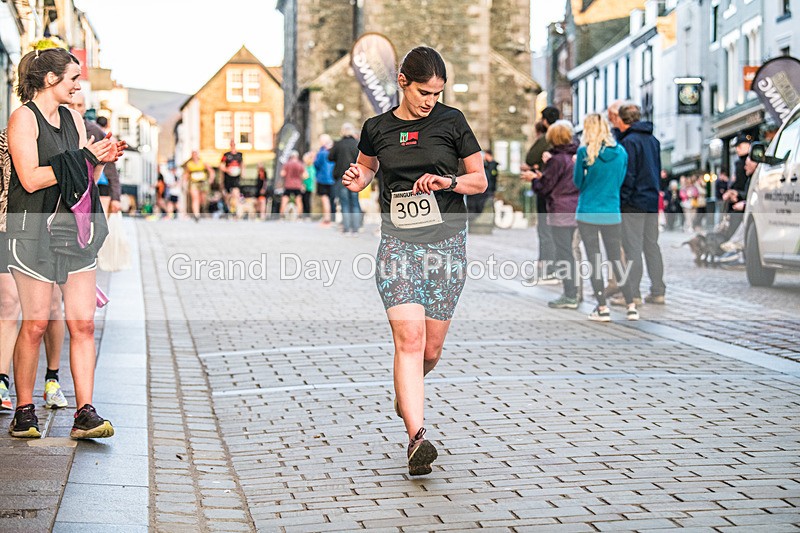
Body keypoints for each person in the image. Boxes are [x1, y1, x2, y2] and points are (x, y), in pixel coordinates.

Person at [341, 46, 486, 476]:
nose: (430, 101)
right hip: (398, 246)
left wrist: (450, 180)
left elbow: (479, 180)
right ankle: (416, 437)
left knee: (430, 348)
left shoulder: (452, 121)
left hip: (447, 245)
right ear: (402, 82)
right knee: (408, 340)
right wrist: (358, 178)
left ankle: (409, 391)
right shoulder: (377, 128)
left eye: (437, 94)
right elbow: (366, 170)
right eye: (424, 92)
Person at [6, 47, 123, 438]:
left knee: (84, 324)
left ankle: (84, 413)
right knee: (37, 323)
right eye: (73, 78)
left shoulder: (74, 119)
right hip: (32, 231)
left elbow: (82, 177)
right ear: (51, 79)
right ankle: (25, 411)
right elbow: (30, 179)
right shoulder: (23, 118)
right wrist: (84, 157)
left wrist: (101, 159)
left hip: (75, 232)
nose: (78, 85)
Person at [573, 114, 639, 321]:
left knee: (594, 260)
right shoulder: (621, 152)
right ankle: (631, 305)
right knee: (616, 259)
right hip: (612, 212)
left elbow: (578, 183)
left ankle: (602, 307)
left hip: (588, 212)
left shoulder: (584, 152)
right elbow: (620, 181)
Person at [612, 102, 666, 305]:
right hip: (651, 201)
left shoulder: (629, 143)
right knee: (652, 246)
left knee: (633, 247)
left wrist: (623, 200)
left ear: (622, 120)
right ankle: (658, 290)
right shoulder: (653, 141)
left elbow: (628, 175)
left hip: (633, 202)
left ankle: (633, 294)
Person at [527, 120, 580, 308]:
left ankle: (570, 294)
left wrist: (535, 179)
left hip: (560, 210)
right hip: (576, 207)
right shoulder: (576, 155)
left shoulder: (556, 160)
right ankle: (574, 291)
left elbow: (546, 186)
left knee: (564, 252)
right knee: (571, 252)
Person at [523, 113, 559, 281]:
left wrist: (536, 169)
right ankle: (555, 268)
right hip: (561, 194)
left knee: (545, 230)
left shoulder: (547, 138)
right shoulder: (567, 138)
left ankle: (547, 268)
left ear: (545, 120)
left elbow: (530, 158)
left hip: (546, 190)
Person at [329, 123, 362, 235]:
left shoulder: (338, 144)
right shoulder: (357, 144)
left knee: (344, 203)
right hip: (354, 176)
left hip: (341, 177)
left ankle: (347, 228)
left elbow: (330, 157)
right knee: (355, 202)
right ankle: (356, 229)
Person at [93, 115, 122, 216]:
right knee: (103, 212)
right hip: (104, 180)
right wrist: (116, 197)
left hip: (91, 179)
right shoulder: (110, 139)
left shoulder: (91, 135)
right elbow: (113, 170)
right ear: (107, 124)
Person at [467, 150, 497, 222]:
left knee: (478, 208)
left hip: (485, 192)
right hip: (476, 193)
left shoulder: (490, 166)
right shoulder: (483, 166)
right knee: (473, 208)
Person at [183, 150, 214, 221]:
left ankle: (203, 208)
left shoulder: (202, 162)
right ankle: (196, 215)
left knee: (202, 199)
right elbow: (186, 174)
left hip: (203, 182)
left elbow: (211, 171)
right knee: (195, 198)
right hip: (194, 182)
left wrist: (210, 179)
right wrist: (184, 183)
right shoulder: (189, 164)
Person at [314, 134, 335, 226]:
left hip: (323, 178)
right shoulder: (334, 150)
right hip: (333, 178)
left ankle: (327, 218)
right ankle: (333, 219)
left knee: (324, 198)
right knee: (332, 199)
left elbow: (316, 164)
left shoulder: (322, 152)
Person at [280, 151, 304, 217]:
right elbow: (305, 175)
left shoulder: (287, 164)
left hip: (288, 184)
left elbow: (282, 173)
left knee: (284, 200)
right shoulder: (300, 164)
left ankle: (281, 216)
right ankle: (299, 216)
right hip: (297, 185)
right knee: (298, 201)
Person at [220, 139, 243, 209]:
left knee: (236, 193)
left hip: (236, 177)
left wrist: (242, 173)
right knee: (227, 195)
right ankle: (228, 209)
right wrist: (227, 170)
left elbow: (242, 165)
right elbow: (221, 165)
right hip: (228, 177)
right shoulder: (226, 155)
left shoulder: (239, 155)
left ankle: (235, 210)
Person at [301, 151, 316, 218]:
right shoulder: (307, 167)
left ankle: (307, 215)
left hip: (308, 186)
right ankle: (305, 214)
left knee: (307, 200)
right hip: (305, 185)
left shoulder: (311, 168)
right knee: (304, 200)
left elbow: (309, 177)